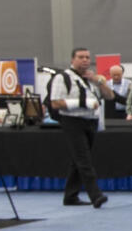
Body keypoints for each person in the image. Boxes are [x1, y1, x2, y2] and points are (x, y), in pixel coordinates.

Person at [48, 47, 113, 208]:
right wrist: (82, 103)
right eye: (81, 57)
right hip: (72, 121)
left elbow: (110, 96)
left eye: (87, 57)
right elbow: (55, 103)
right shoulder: (62, 77)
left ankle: (70, 196)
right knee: (84, 160)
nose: (85, 60)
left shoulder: (92, 78)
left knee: (78, 160)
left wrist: (98, 81)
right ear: (72, 60)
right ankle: (95, 195)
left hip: (90, 121)